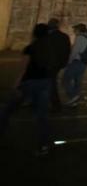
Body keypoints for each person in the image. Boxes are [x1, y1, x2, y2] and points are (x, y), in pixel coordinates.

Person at [0, 24, 55, 155]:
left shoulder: (31, 48)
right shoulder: (50, 48)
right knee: (42, 116)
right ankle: (43, 145)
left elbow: (23, 68)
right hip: (45, 82)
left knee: (7, 110)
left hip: (29, 82)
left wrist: (15, 84)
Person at [62, 23, 87, 106]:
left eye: (75, 29)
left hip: (77, 61)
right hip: (84, 62)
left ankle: (73, 96)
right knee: (78, 81)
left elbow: (74, 51)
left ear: (78, 30)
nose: (74, 31)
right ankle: (75, 100)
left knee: (65, 79)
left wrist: (68, 62)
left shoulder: (80, 38)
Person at [46, 18, 71, 113]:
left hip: (49, 64)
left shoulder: (48, 36)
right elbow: (67, 51)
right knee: (50, 82)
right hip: (58, 64)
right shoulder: (64, 36)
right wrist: (63, 62)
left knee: (50, 83)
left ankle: (55, 104)